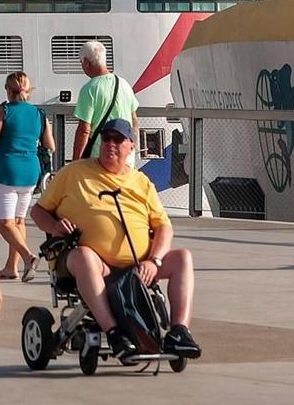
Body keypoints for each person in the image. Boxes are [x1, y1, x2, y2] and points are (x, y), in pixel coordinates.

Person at [30, 117, 202, 363]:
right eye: (106, 139)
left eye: (118, 139)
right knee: (85, 256)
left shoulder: (141, 182)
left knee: (183, 258)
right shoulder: (74, 172)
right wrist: (55, 226)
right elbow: (38, 211)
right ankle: (114, 332)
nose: (110, 144)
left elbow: (163, 226)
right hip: (90, 261)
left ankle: (179, 332)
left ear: (131, 146)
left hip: (138, 264)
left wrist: (154, 261)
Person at [0, 71, 51, 280]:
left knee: (3, 222)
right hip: (31, 171)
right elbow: (51, 145)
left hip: (6, 171)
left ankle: (28, 256)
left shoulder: (2, 111)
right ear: (28, 91)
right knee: (18, 220)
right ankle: (12, 268)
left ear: (7, 90)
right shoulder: (40, 114)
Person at [70, 40, 137, 159]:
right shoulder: (124, 84)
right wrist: (132, 149)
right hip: (124, 159)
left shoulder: (90, 89)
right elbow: (134, 121)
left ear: (86, 62)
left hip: (100, 159)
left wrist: (76, 161)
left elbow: (84, 130)